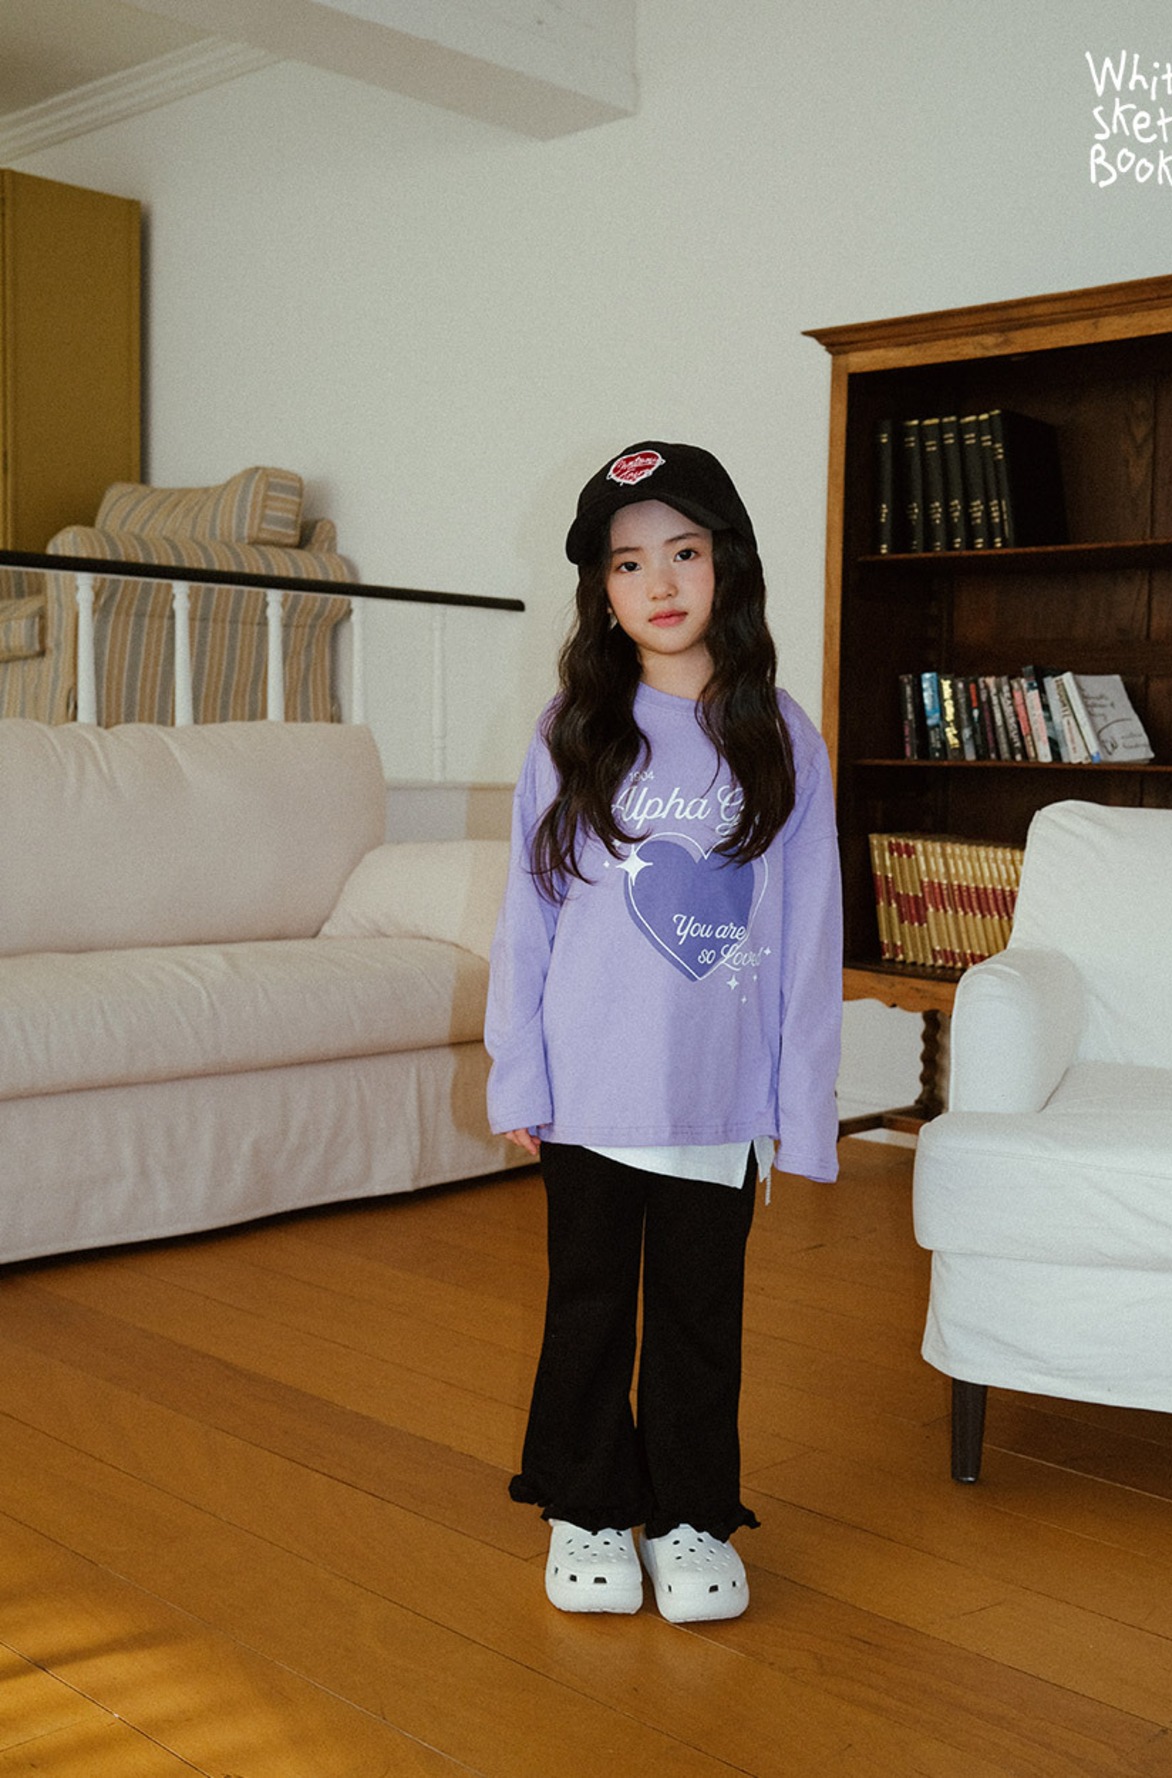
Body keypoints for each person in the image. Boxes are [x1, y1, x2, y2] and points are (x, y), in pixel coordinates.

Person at [485, 440, 842, 1623]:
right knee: (587, 1305)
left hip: (715, 1097)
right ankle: (587, 1505)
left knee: (698, 1312)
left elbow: (806, 932)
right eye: (628, 562)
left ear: (725, 563)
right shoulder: (572, 728)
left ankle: (692, 1513)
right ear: (601, 590)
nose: (660, 582)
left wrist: (799, 1108)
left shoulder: (779, 733)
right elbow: (528, 917)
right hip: (588, 1087)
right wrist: (518, 1075)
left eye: (682, 551)